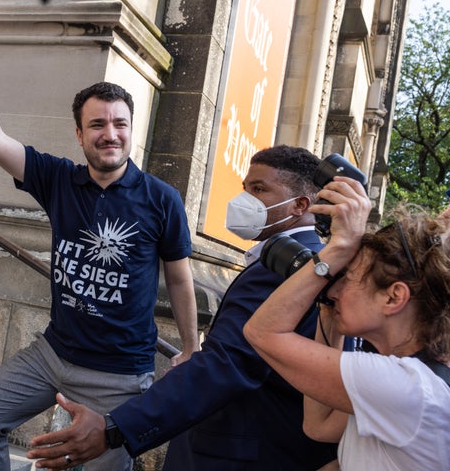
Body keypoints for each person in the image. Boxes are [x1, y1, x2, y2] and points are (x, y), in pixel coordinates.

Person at [0, 3, 199, 471]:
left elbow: (178, 278)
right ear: (79, 133)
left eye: (119, 124)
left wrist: (191, 345)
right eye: (97, 124)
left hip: (119, 377)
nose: (109, 134)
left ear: (132, 131)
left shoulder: (161, 199)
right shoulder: (58, 180)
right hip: (52, 354)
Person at [28, 145, 342, 470]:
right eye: (245, 188)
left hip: (236, 452)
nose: (244, 200)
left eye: (259, 189)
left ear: (300, 205)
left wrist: (114, 428)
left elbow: (225, 364)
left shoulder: (284, 270)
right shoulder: (300, 261)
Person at [243, 178, 450, 470]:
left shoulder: (406, 387)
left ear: (393, 298)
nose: (333, 289)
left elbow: (261, 332)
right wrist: (329, 316)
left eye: (348, 278)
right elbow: (319, 425)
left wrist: (339, 248)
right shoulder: (416, 380)